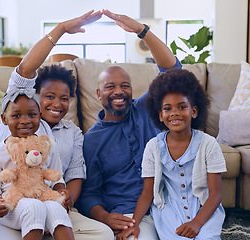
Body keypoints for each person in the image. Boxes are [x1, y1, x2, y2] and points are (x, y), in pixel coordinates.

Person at [0, 10, 113, 240]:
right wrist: (60, 29)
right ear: (34, 95)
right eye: (49, 96)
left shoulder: (72, 132)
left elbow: (74, 174)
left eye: (64, 98)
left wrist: (66, 199)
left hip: (51, 207)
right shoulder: (17, 118)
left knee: (104, 235)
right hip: (10, 210)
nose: (57, 104)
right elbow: (25, 71)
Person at [77, 9, 182, 240]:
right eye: (110, 87)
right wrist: (104, 217)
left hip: (167, 205)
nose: (118, 92)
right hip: (126, 213)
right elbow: (89, 193)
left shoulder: (145, 108)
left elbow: (173, 72)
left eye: (125, 85)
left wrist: (142, 31)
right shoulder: (91, 140)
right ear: (98, 93)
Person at [116, 69, 226, 240]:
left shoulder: (208, 144)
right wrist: (135, 223)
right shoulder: (153, 147)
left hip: (203, 207)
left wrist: (197, 222)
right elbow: (147, 192)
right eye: (168, 109)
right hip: (169, 209)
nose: (174, 113)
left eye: (182, 107)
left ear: (194, 111)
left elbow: (215, 194)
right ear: (160, 115)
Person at [0, 84, 74, 240]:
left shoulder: (48, 146)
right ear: (4, 119)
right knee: (33, 206)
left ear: (40, 115)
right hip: (12, 207)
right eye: (16, 116)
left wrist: (62, 191)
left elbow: (58, 179)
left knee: (55, 206)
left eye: (31, 115)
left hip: (41, 199)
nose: (25, 121)